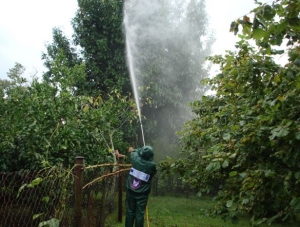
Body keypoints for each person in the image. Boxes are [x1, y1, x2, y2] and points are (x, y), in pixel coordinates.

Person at [125, 145, 157, 227]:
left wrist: (139, 149)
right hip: (142, 195)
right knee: (139, 215)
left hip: (131, 191)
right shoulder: (152, 166)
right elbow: (153, 173)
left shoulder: (135, 159)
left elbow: (133, 151)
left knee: (130, 213)